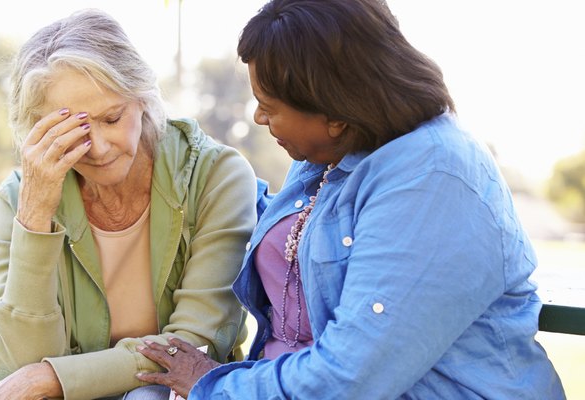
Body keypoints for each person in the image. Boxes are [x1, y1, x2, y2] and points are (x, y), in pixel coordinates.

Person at [136, 0, 566, 398]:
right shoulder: (329, 156)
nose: (259, 117)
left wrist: (215, 388)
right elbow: (288, 244)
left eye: (270, 105)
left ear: (335, 112)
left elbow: (350, 376)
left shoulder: (432, 177)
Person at [0, 8, 258, 400]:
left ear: (142, 96)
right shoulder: (17, 201)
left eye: (111, 118)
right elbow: (17, 370)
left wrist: (52, 379)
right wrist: (35, 216)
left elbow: (192, 347)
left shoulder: (215, 175)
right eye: (72, 129)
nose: (100, 148)